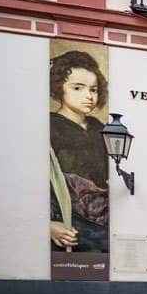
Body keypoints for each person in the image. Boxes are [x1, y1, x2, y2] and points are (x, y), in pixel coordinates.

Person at [49, 50, 109, 253]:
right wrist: (46, 224)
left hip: (101, 225)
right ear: (59, 89)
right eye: (77, 88)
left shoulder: (99, 128)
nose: (88, 96)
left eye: (93, 90)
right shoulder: (50, 127)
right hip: (69, 225)